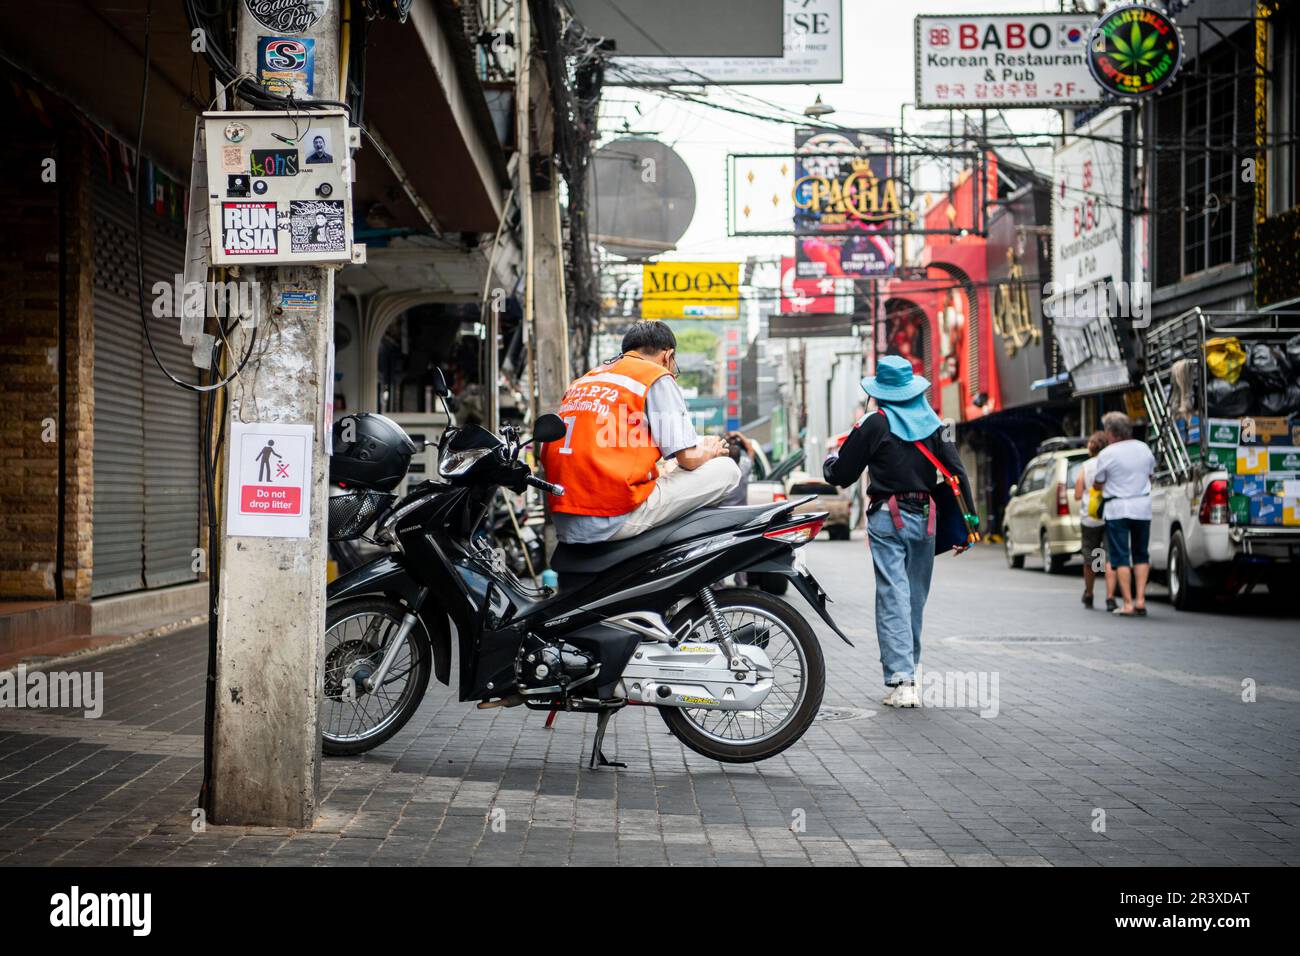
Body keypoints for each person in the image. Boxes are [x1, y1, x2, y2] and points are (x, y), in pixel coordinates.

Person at [823, 355, 977, 709]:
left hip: (886, 519)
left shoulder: (874, 423)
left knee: (893, 595)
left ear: (880, 392)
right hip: (926, 518)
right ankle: (909, 675)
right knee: (914, 599)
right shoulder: (935, 423)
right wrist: (970, 524)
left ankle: (902, 680)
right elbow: (957, 472)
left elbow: (841, 474)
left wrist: (829, 462)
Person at [540, 321, 739, 543]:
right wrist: (710, 451)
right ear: (667, 355)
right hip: (610, 516)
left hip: (564, 517)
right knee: (727, 470)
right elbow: (689, 459)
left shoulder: (584, 381)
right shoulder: (654, 375)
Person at [1093, 411, 1155, 617]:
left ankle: (1127, 602)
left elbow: (1098, 482)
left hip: (1117, 509)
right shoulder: (1144, 448)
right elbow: (1150, 474)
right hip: (1142, 507)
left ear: (1111, 432)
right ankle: (1141, 600)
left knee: (1120, 556)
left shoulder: (1107, 454)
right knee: (1141, 553)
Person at [1074, 430, 1117, 610]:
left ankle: (1089, 593)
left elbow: (1077, 494)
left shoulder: (1086, 466)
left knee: (1090, 558)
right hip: (1110, 515)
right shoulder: (1110, 464)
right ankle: (1109, 597)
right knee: (1109, 557)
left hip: (1090, 518)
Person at [717, 431, 755, 508]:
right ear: (740, 458)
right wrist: (738, 434)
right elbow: (751, 449)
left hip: (722, 511)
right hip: (741, 510)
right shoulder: (745, 467)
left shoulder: (720, 471)